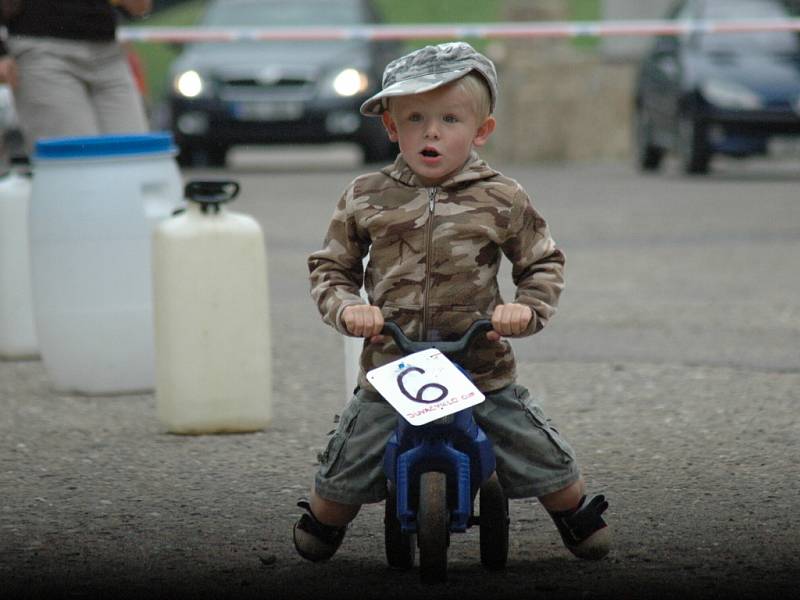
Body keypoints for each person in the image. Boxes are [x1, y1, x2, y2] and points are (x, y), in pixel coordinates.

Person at [296, 41, 611, 563]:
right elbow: (331, 267)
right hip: (392, 364)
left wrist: (525, 309)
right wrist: (347, 309)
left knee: (532, 445)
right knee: (347, 464)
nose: (432, 132)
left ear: (481, 130)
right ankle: (326, 523)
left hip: (478, 362)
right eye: (415, 118)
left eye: (449, 118)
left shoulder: (501, 197)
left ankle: (574, 513)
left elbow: (542, 262)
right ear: (392, 127)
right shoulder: (367, 195)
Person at [0, 0, 151, 153]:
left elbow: (139, 8)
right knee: (75, 159)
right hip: (41, 51)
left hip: (108, 51)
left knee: (135, 156)